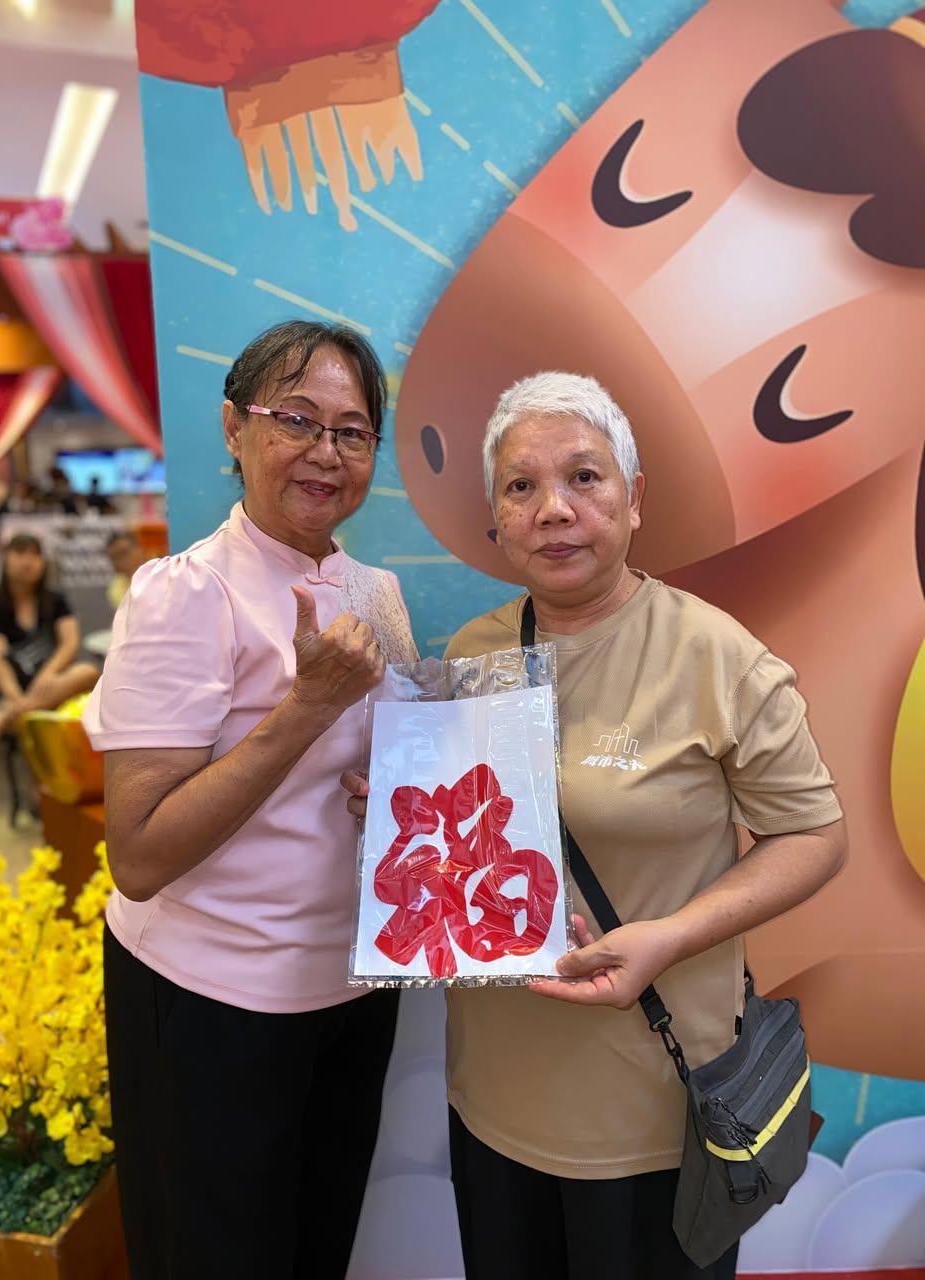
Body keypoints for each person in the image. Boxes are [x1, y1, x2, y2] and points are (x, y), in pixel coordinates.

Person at [343, 372, 846, 1280]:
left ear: (634, 497)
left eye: (584, 477)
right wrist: (401, 818)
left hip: (655, 1110)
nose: (553, 510)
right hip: (493, 1099)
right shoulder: (472, 654)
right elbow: (471, 842)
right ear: (496, 517)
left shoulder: (716, 654)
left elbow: (814, 837)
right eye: (521, 486)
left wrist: (668, 937)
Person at [81, 320, 418, 1280]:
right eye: (296, 420)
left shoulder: (377, 595)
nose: (326, 453)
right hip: (209, 1001)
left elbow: (381, 778)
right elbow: (139, 857)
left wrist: (392, 797)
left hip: (352, 990)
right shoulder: (184, 597)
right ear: (234, 428)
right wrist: (306, 706)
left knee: (318, 1252)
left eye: (353, 433)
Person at [0, 533, 99, 743]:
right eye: (20, 553)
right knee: (12, 699)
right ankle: (18, 710)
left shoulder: (55, 600)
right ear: (5, 559)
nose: (28, 562)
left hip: (52, 682)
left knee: (87, 671)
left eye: (35, 555)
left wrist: (46, 675)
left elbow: (69, 644)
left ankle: (8, 716)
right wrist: (16, 697)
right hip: (15, 687)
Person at [104, 530, 146, 610]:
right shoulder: (115, 589)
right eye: (115, 557)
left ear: (139, 549)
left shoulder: (162, 572)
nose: (122, 561)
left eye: (124, 552)